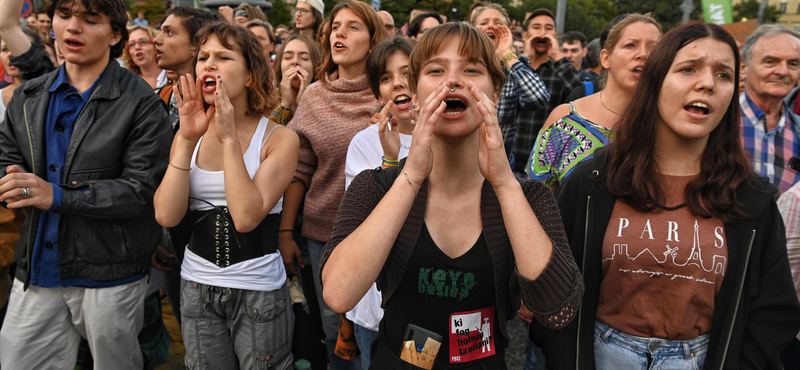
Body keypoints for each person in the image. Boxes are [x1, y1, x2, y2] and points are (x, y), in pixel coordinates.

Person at [536, 21, 800, 370]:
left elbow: (772, 310)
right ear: (656, 81)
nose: (706, 83)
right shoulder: (594, 181)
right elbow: (553, 283)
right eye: (688, 69)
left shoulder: (751, 198)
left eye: (723, 75)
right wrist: (565, 355)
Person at [320, 22, 584, 369]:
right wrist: (411, 174)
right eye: (436, 70)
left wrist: (504, 183)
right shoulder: (376, 186)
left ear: (495, 93)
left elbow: (556, 309)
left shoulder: (529, 197)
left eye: (471, 69)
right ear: (414, 95)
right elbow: (339, 293)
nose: (454, 80)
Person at [0, 0, 172, 368]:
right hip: (38, 267)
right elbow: (6, 158)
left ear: (115, 36)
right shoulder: (29, 96)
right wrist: (10, 182)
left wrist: (57, 195)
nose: (73, 28)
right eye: (65, 16)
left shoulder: (141, 102)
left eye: (90, 20)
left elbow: (142, 191)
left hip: (110, 273)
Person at [154, 21, 298, 370]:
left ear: (250, 76)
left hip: (258, 290)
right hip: (196, 285)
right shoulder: (188, 134)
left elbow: (247, 217)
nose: (209, 65)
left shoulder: (279, 139)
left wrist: (230, 137)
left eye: (223, 56)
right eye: (203, 57)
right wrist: (187, 140)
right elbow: (167, 215)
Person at [283, 1, 388, 368]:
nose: (338, 33)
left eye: (353, 27)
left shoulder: (388, 94)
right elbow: (300, 170)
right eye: (335, 27)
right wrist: (286, 233)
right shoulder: (313, 95)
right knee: (335, 333)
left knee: (379, 331)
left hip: (384, 236)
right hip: (323, 235)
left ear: (374, 41)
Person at [343, 36, 416, 370]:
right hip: (375, 304)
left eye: (407, 72)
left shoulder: (454, 133)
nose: (398, 83)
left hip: (426, 302)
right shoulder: (364, 144)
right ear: (377, 93)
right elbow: (368, 222)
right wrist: (390, 159)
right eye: (386, 78)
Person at [526, 13, 662, 191]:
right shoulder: (564, 120)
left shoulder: (670, 126)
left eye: (654, 48)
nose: (643, 54)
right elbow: (535, 201)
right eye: (630, 45)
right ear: (605, 58)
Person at [151, 5, 221, 323]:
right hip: (168, 239)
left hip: (213, 247)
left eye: (169, 32)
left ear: (197, 45)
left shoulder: (220, 104)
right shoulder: (163, 97)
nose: (156, 40)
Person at [472, 3, 549, 160]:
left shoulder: (512, 72)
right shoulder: (457, 67)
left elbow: (538, 97)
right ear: (472, 29)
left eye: (498, 23)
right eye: (484, 23)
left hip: (497, 168)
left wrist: (506, 54)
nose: (491, 26)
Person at [508, 8, 581, 173]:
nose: (542, 33)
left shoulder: (562, 71)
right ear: (525, 35)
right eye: (536, 27)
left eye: (548, 28)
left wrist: (557, 55)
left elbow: (581, 95)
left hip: (544, 168)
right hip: (506, 162)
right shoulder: (513, 67)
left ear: (555, 37)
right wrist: (525, 59)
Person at [739, 25, 800, 194]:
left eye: (793, 63)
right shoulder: (716, 122)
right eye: (770, 61)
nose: (783, 71)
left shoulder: (798, 130)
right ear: (743, 67)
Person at [271, 34, 321, 126]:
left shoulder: (324, 104)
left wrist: (304, 104)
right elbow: (265, 137)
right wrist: (285, 104)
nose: (295, 62)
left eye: (304, 58)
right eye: (288, 57)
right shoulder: (266, 102)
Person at [122, 25, 167, 90]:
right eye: (132, 44)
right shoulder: (128, 86)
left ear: (156, 47)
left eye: (143, 42)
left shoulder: (173, 76)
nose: (137, 47)